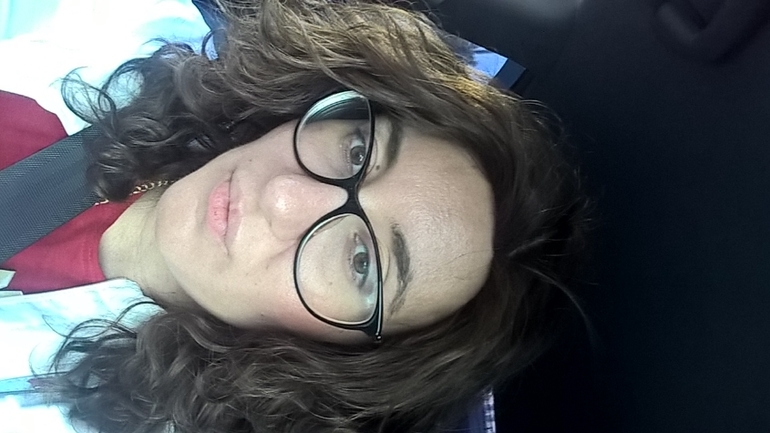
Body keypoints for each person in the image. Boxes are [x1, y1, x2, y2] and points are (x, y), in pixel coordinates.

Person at [0, 0, 588, 431]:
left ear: (345, 357)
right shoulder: (110, 29)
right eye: (357, 153)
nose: (284, 196)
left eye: (361, 261)